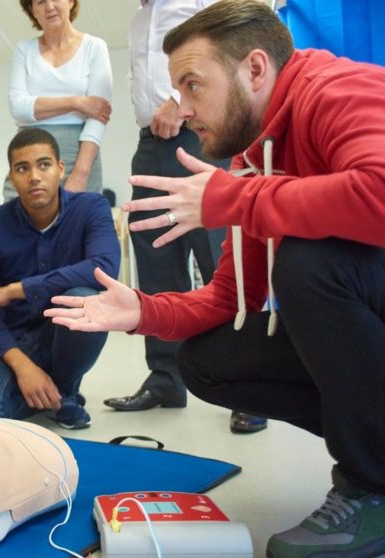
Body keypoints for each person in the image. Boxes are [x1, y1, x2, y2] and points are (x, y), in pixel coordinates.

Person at [45, 1, 385, 558]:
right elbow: (228, 301)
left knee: (313, 259)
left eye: (193, 86)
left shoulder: (343, 91)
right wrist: (140, 310)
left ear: (254, 68)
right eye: (176, 90)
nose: (183, 108)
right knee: (211, 359)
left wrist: (237, 198)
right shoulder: (256, 157)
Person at [108, 0, 266, 434]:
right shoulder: (138, 17)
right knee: (155, 258)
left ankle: (248, 388)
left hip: (199, 136)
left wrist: (181, 100)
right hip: (150, 144)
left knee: (221, 259)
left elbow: (228, 56)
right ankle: (165, 379)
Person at [0, 128, 119, 430]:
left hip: (65, 332)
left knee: (85, 297)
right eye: (23, 168)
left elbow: (105, 268)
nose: (34, 176)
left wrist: (16, 291)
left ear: (60, 169)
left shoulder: (91, 208)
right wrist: (22, 366)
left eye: (43, 165)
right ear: (12, 176)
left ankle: (66, 388)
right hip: (14, 340)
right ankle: (47, 391)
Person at [5, 0, 113, 198]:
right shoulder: (24, 50)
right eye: (40, 2)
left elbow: (99, 114)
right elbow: (18, 107)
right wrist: (77, 102)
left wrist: (81, 173)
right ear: (32, 10)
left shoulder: (95, 47)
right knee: (17, 224)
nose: (49, 6)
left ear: (71, 2)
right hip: (29, 151)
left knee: (80, 224)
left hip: (81, 153)